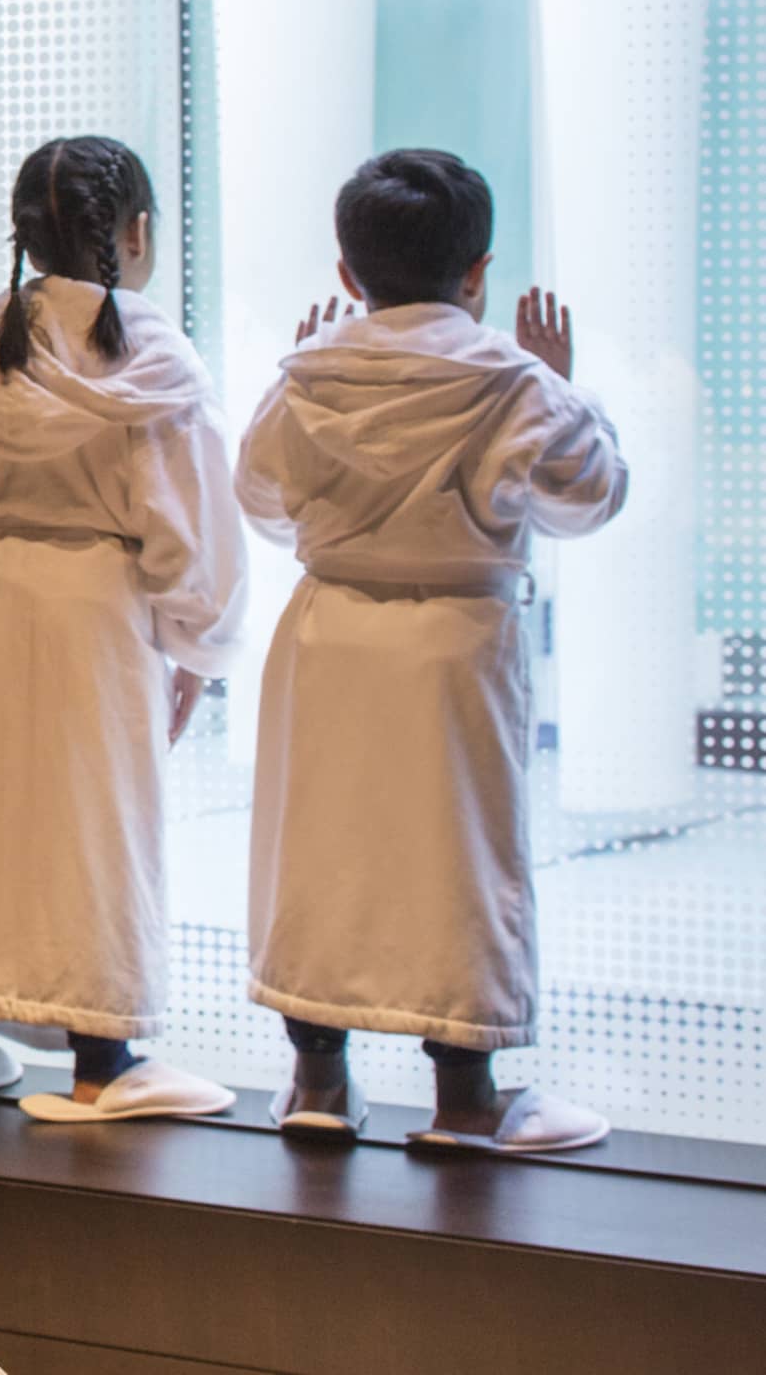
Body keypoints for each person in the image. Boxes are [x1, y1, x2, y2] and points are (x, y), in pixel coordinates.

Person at [235, 148, 628, 1155]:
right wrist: (563, 386)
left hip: (330, 636)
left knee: (318, 850)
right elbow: (589, 498)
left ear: (346, 274)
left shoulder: (309, 377)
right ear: (477, 271)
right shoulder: (512, 381)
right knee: (461, 857)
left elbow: (262, 501)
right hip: (457, 643)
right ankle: (465, 1100)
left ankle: (317, 1079)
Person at [0, 135, 248, 1123]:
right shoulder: (157, 358)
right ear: (136, 235)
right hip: (98, 608)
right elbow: (192, 525)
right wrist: (196, 648)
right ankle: (103, 1059)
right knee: (95, 826)